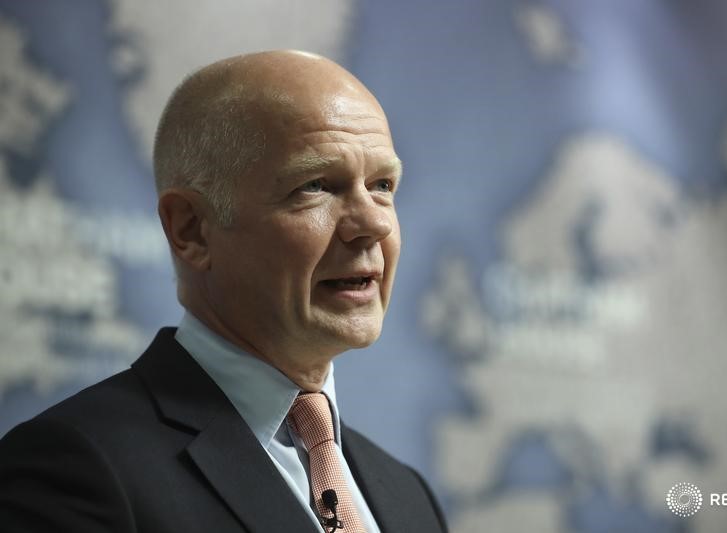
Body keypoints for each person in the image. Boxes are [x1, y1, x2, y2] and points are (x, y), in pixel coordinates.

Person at [0, 50, 448, 533]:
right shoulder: (75, 471)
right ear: (191, 229)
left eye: (382, 184)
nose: (375, 223)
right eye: (316, 184)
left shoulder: (408, 497)